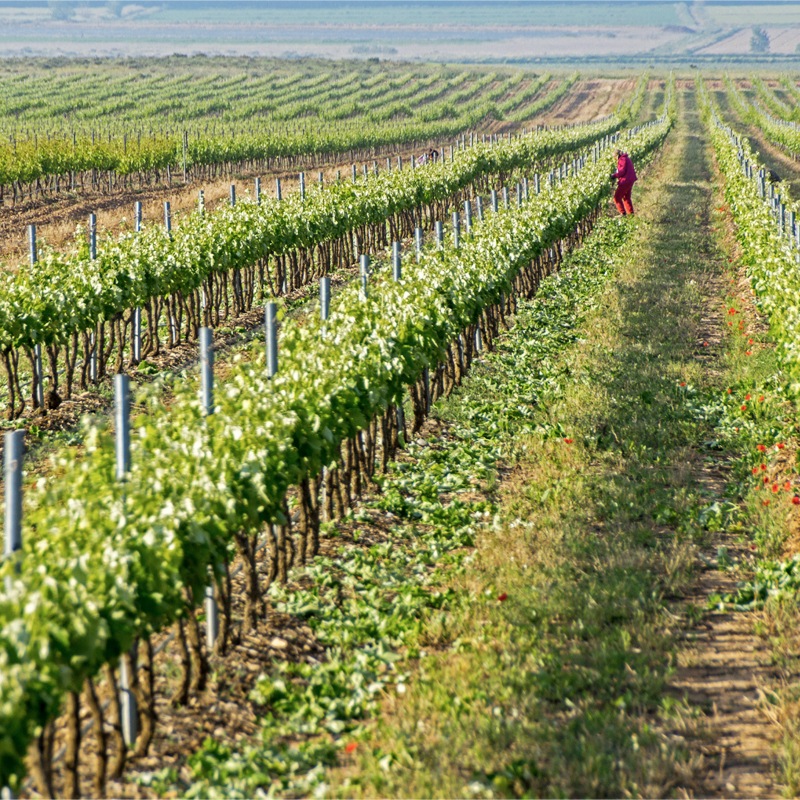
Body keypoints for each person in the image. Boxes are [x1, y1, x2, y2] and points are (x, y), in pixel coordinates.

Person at [611, 149, 637, 216]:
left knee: (617, 197)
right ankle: (631, 214)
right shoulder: (626, 158)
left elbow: (622, 171)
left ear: (617, 156)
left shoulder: (622, 160)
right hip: (630, 180)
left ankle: (622, 213)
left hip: (625, 181)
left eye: (614, 157)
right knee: (626, 197)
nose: (615, 159)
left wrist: (614, 175)